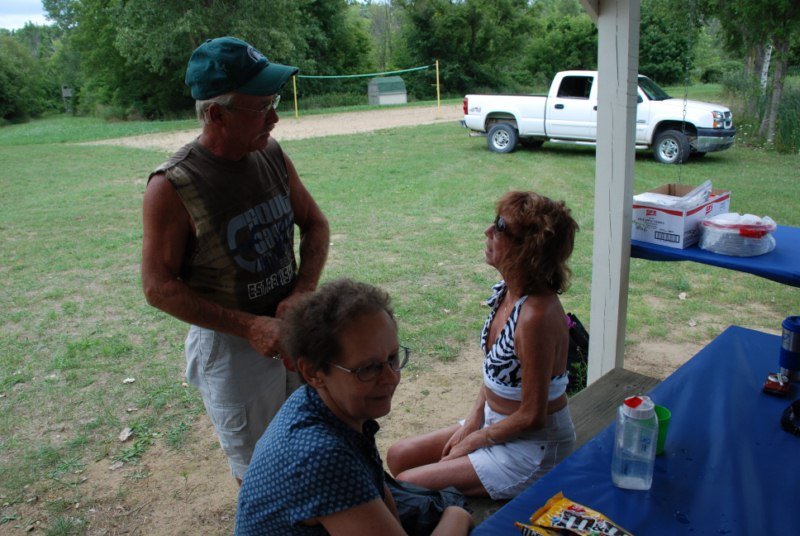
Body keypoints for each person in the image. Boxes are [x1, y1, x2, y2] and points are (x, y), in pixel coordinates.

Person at [141, 36, 329, 483]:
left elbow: (315, 224)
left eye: (274, 102)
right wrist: (249, 327)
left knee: (310, 439)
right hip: (231, 345)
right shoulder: (173, 185)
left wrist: (302, 292)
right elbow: (158, 288)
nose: (275, 117)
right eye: (262, 106)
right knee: (259, 469)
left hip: (291, 324)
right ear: (217, 114)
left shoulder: (271, 153)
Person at [235, 278, 473, 536]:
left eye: (392, 358)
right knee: (452, 508)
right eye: (368, 368)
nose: (391, 377)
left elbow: (375, 483)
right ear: (313, 372)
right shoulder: (321, 457)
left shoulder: (317, 402)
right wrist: (456, 514)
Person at [386, 191, 579, 500]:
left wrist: (476, 440)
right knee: (399, 456)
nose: (488, 231)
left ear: (527, 249)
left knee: (407, 484)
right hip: (496, 424)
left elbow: (532, 416)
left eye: (501, 227)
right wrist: (472, 422)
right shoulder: (508, 291)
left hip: (531, 448)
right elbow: (493, 371)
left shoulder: (536, 317)